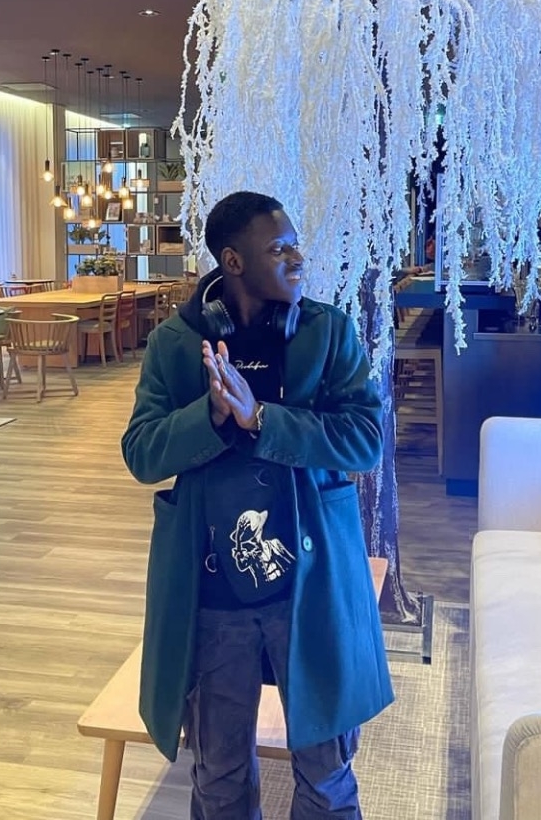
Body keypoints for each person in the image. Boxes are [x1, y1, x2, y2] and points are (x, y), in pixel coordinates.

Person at [122, 191, 394, 820]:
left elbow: (364, 440)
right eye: (279, 248)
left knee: (327, 775)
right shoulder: (175, 344)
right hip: (213, 593)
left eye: (295, 244)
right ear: (233, 261)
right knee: (217, 776)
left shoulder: (328, 332)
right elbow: (141, 452)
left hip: (310, 585)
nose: (297, 258)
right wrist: (213, 415)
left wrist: (261, 417)